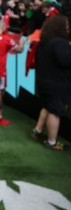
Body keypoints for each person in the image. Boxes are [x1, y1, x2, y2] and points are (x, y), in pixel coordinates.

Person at [32, 14, 71, 151]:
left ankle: (37, 130)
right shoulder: (60, 42)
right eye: (66, 26)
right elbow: (65, 61)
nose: (68, 28)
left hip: (44, 83)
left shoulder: (44, 42)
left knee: (47, 107)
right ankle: (52, 142)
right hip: (57, 85)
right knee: (55, 111)